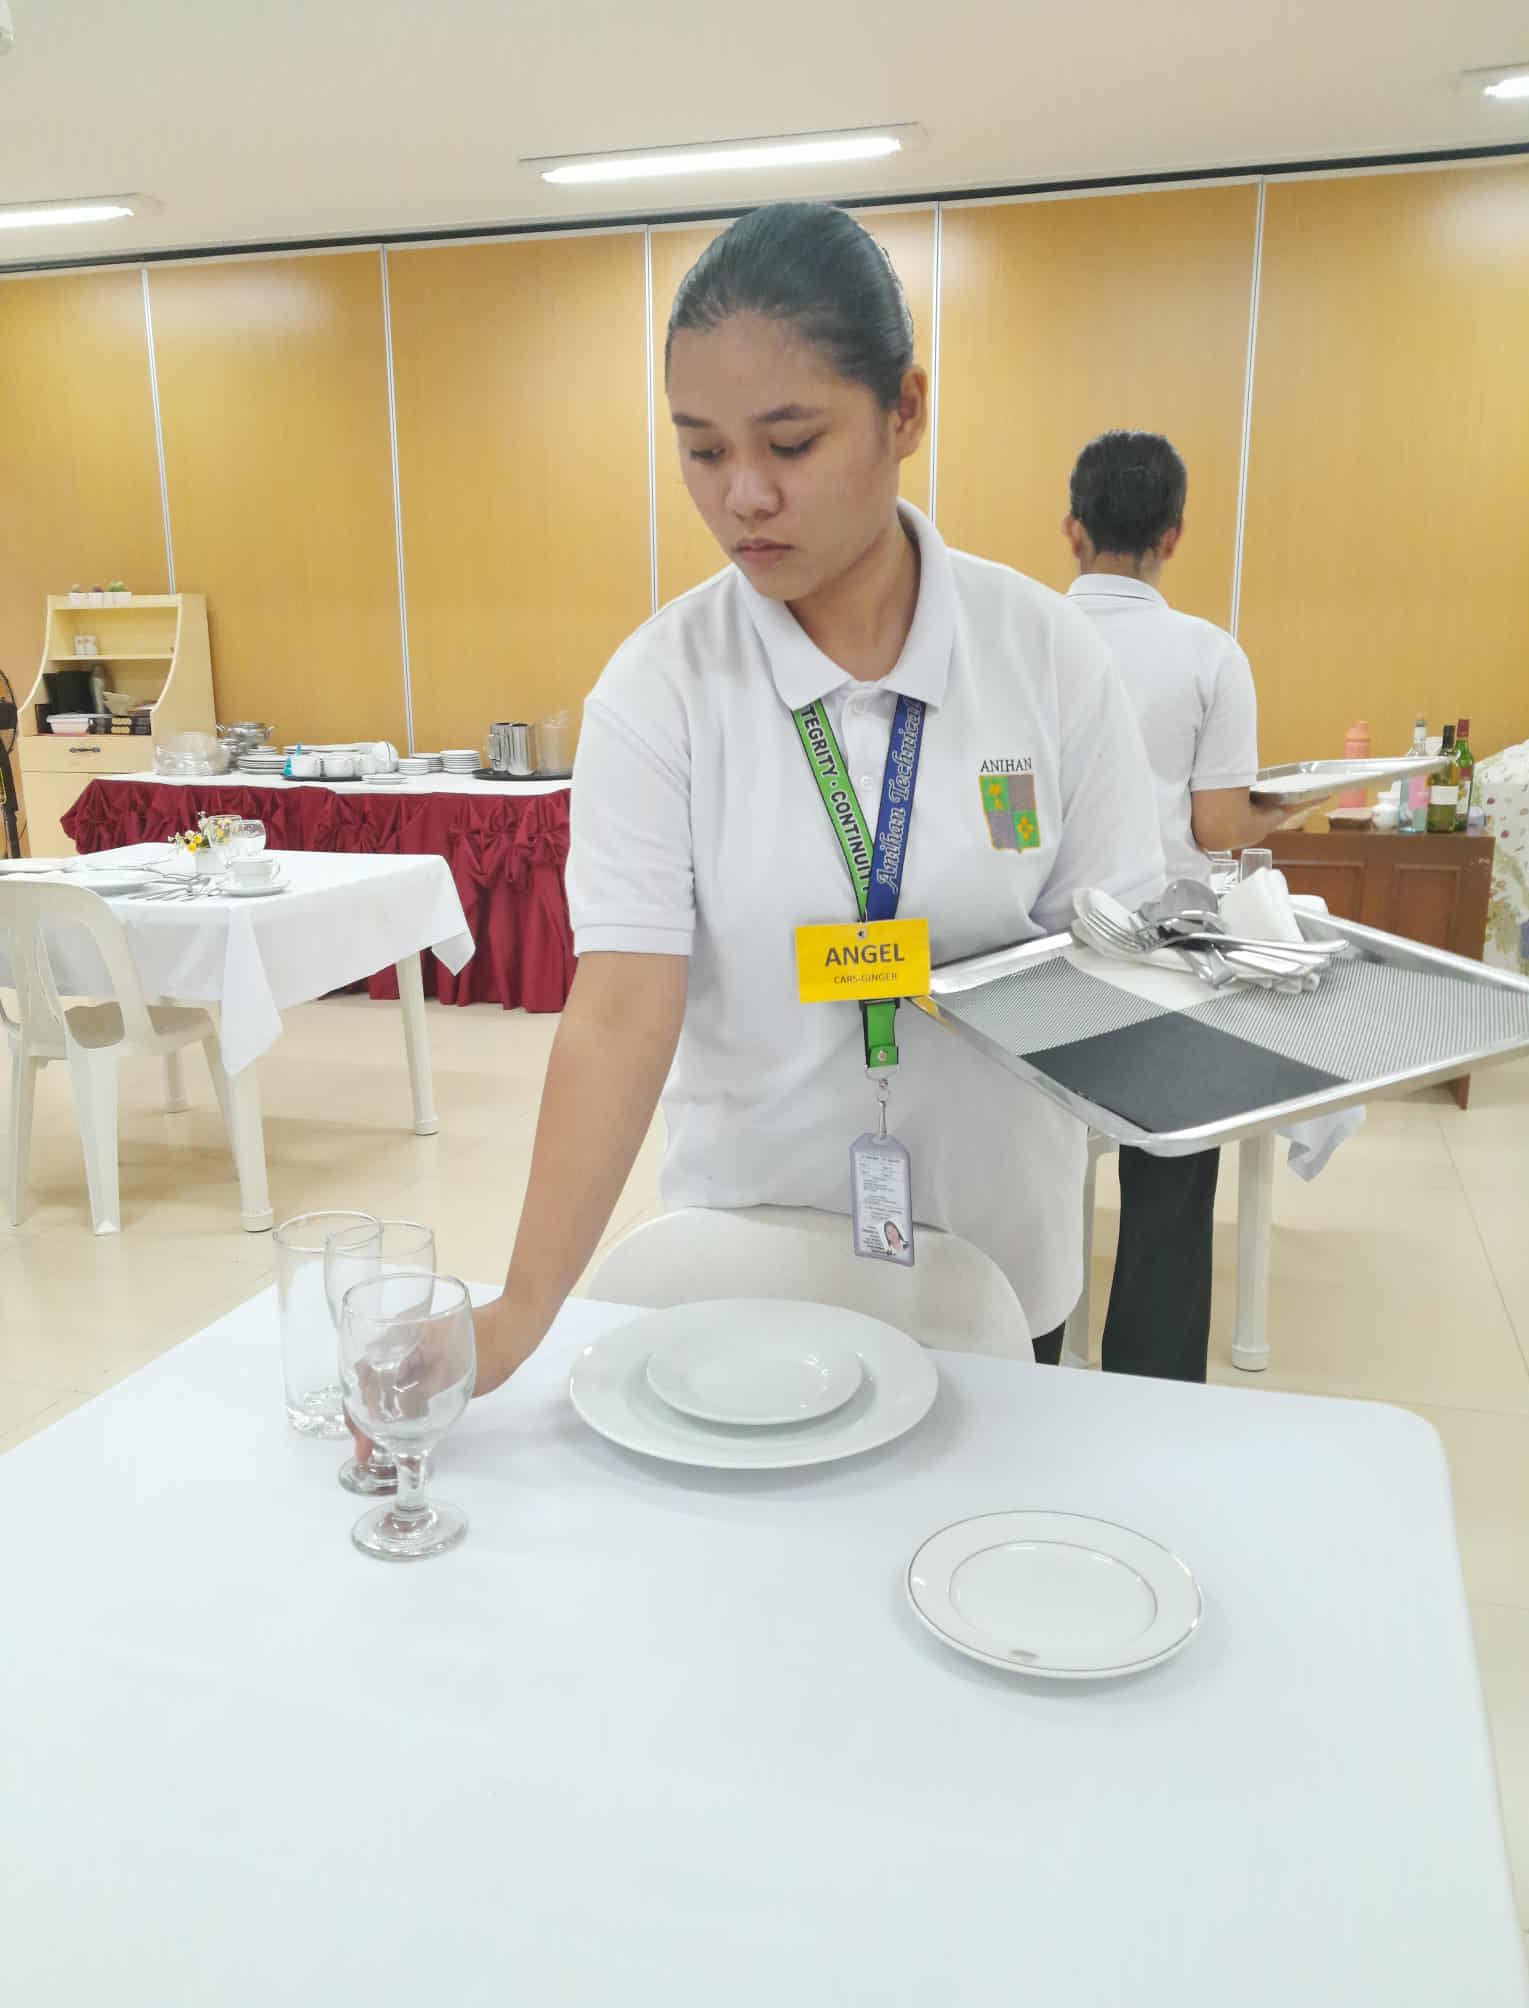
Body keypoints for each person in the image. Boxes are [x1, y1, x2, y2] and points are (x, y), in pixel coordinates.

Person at [468, 205, 1164, 1396]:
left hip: (997, 1262)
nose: (743, 494)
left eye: (790, 443)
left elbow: (1117, 956)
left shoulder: (1042, 655)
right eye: (702, 450)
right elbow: (622, 1010)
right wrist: (519, 1312)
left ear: (905, 411)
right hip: (746, 1250)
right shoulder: (661, 688)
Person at [1061, 429, 1304, 1381]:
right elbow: (1217, 827)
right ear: (1173, 535)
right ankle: (1152, 1395)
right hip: (1163, 964)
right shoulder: (1209, 654)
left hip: (1036, 962)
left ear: (1072, 528)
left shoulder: (1020, 638)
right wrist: (1285, 807)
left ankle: (1016, 1378)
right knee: (1169, 1188)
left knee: (1021, 1179)